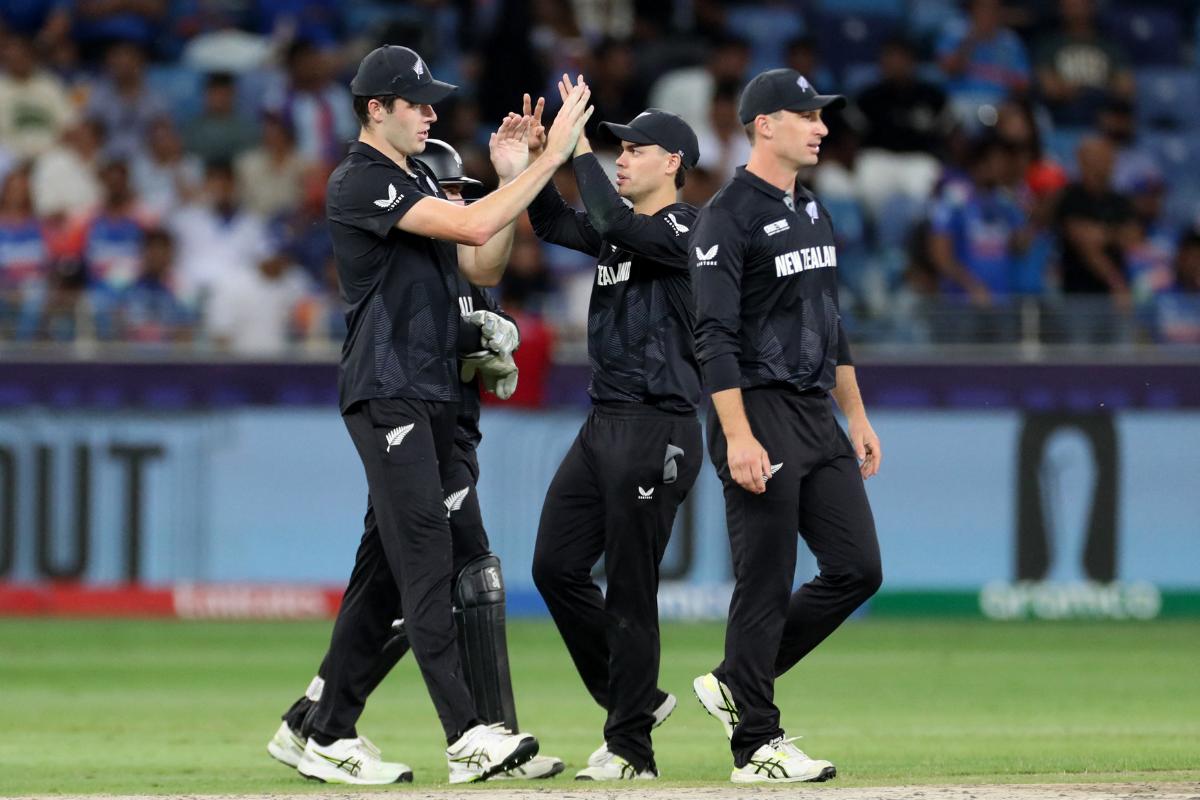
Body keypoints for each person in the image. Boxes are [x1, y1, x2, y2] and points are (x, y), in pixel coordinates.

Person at [279, 44, 593, 785]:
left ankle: (319, 728)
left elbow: (482, 265)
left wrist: (516, 176)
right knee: (429, 562)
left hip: (433, 389)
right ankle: (466, 737)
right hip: (387, 387)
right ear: (373, 110)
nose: (430, 112)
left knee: (387, 572)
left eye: (431, 102)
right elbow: (474, 231)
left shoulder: (418, 173)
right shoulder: (359, 180)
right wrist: (555, 163)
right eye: (415, 102)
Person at [689, 69, 883, 784]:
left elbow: (831, 326)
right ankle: (756, 747)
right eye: (806, 114)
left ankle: (741, 679)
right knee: (765, 581)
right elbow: (710, 337)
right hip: (758, 409)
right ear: (763, 124)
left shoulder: (813, 211)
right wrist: (738, 434)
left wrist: (855, 415)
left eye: (821, 115)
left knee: (858, 568)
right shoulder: (726, 215)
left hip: (813, 412)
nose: (822, 126)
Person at [526, 79, 703, 781]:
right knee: (554, 567)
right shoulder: (618, 231)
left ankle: (632, 749)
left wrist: (578, 150)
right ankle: (635, 700)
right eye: (618, 147)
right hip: (604, 422)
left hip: (657, 424)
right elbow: (549, 222)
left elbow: (614, 220)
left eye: (637, 149)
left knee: (631, 589)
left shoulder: (690, 228)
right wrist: (537, 163)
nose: (623, 158)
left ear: (674, 164)